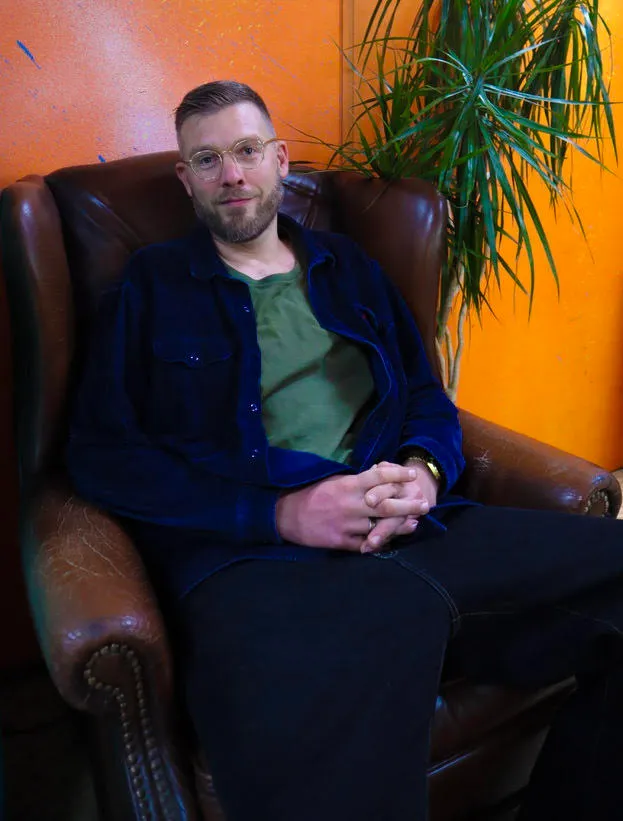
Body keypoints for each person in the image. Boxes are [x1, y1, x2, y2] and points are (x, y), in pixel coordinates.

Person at [67, 80, 623, 821]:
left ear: (278, 160)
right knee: (316, 768)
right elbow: (102, 454)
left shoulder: (348, 267)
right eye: (206, 159)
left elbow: (425, 394)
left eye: (246, 150)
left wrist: (426, 471)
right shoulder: (152, 287)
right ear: (186, 178)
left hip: (416, 528)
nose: (231, 173)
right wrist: (280, 515)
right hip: (260, 566)